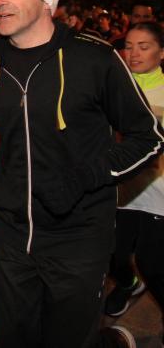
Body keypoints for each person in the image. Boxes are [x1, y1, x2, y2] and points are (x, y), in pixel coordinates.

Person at [0, 0, 162, 347]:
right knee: (15, 337)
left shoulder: (95, 58)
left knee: (68, 338)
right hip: (12, 230)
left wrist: (84, 178)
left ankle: (111, 342)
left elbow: (148, 137)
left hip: (79, 232)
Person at [104, 22, 164, 340]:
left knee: (151, 263)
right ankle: (128, 284)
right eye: (128, 46)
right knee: (110, 254)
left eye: (144, 46)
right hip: (122, 190)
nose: (134, 53)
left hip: (158, 191)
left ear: (161, 52)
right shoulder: (115, 86)